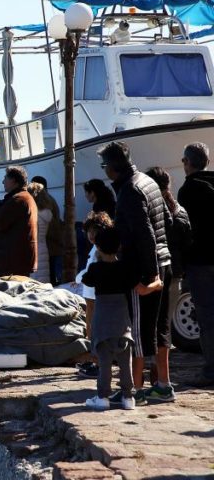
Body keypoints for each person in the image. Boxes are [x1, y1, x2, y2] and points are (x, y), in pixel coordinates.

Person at [98, 141, 173, 404]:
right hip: (165, 260)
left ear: (112, 168)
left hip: (145, 266)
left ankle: (136, 390)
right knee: (162, 328)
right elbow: (168, 220)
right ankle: (163, 385)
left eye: (104, 166)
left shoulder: (129, 190)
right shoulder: (147, 181)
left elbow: (144, 234)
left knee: (139, 330)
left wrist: (149, 277)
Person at [81, 226, 162, 410]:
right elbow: (141, 290)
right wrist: (156, 285)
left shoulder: (96, 269)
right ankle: (128, 397)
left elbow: (85, 279)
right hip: (123, 324)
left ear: (98, 248)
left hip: (102, 325)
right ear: (119, 247)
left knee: (104, 364)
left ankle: (102, 397)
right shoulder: (125, 268)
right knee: (125, 363)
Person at [177, 142, 214, 387]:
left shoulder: (188, 190)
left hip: (201, 261)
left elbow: (184, 231)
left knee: (207, 317)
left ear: (187, 163)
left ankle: (211, 371)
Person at [74, 211, 115, 380]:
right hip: (90, 296)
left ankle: (99, 364)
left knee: (98, 330)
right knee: (90, 329)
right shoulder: (94, 247)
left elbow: (92, 271)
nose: (91, 235)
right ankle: (94, 360)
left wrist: (79, 277)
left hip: (98, 296)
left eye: (94, 231)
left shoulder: (103, 249)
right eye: (89, 231)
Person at [0, 166, 38, 279]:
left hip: (13, 259)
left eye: (5, 178)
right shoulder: (24, 197)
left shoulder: (18, 199)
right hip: (17, 257)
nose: (3, 181)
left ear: (14, 180)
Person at [31, 175, 64, 285]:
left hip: (48, 243)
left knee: (45, 276)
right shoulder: (49, 201)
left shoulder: (41, 205)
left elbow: (52, 227)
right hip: (50, 245)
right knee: (49, 275)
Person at [27, 182, 53, 284]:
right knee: (43, 279)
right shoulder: (47, 212)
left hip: (33, 248)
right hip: (43, 246)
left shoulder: (33, 214)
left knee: (34, 281)